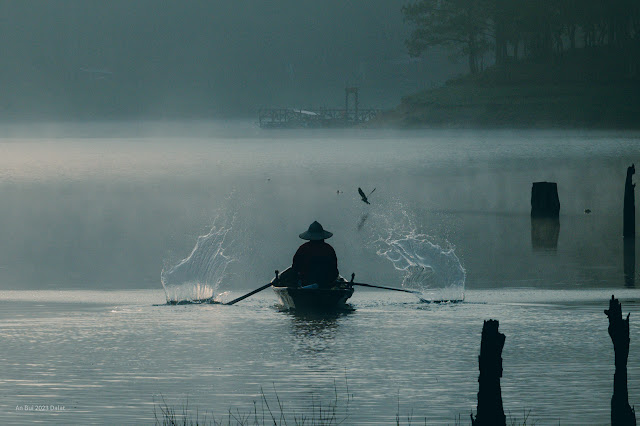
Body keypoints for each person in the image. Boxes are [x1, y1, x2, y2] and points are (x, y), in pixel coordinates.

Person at [292, 221, 339, 288]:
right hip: (326, 284)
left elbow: (295, 269)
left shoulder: (302, 249)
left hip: (306, 283)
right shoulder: (329, 249)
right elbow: (334, 271)